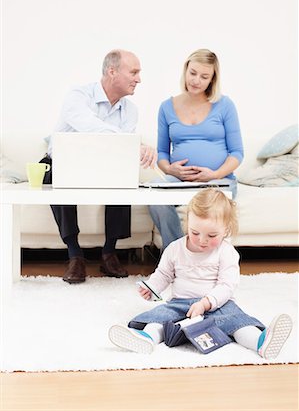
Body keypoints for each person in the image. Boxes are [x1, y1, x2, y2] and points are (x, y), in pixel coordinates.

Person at [109, 189, 293, 358]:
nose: (202, 241)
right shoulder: (175, 249)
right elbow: (164, 274)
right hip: (179, 304)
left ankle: (260, 342)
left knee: (238, 323)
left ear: (226, 229)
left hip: (217, 305)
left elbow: (226, 286)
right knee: (159, 318)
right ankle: (146, 338)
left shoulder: (227, 253)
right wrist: (152, 288)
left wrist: (205, 303)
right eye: (195, 232)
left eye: (211, 236)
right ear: (188, 223)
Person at [40, 49, 156, 284]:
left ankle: (109, 252)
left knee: (124, 176)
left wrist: (135, 145)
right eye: (133, 72)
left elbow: (121, 149)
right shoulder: (78, 96)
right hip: (62, 163)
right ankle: (75, 256)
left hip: (105, 164)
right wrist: (132, 143)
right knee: (56, 174)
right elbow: (90, 127)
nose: (139, 79)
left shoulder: (130, 110)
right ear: (112, 71)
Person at [148, 49, 244, 250]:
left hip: (218, 179)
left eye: (204, 76)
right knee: (154, 194)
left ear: (212, 79)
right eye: (193, 73)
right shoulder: (167, 107)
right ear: (185, 70)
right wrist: (170, 169)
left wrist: (214, 174)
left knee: (211, 210)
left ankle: (205, 258)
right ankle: (175, 254)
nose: (196, 80)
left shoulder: (225, 105)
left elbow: (237, 153)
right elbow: (162, 153)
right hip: (179, 178)